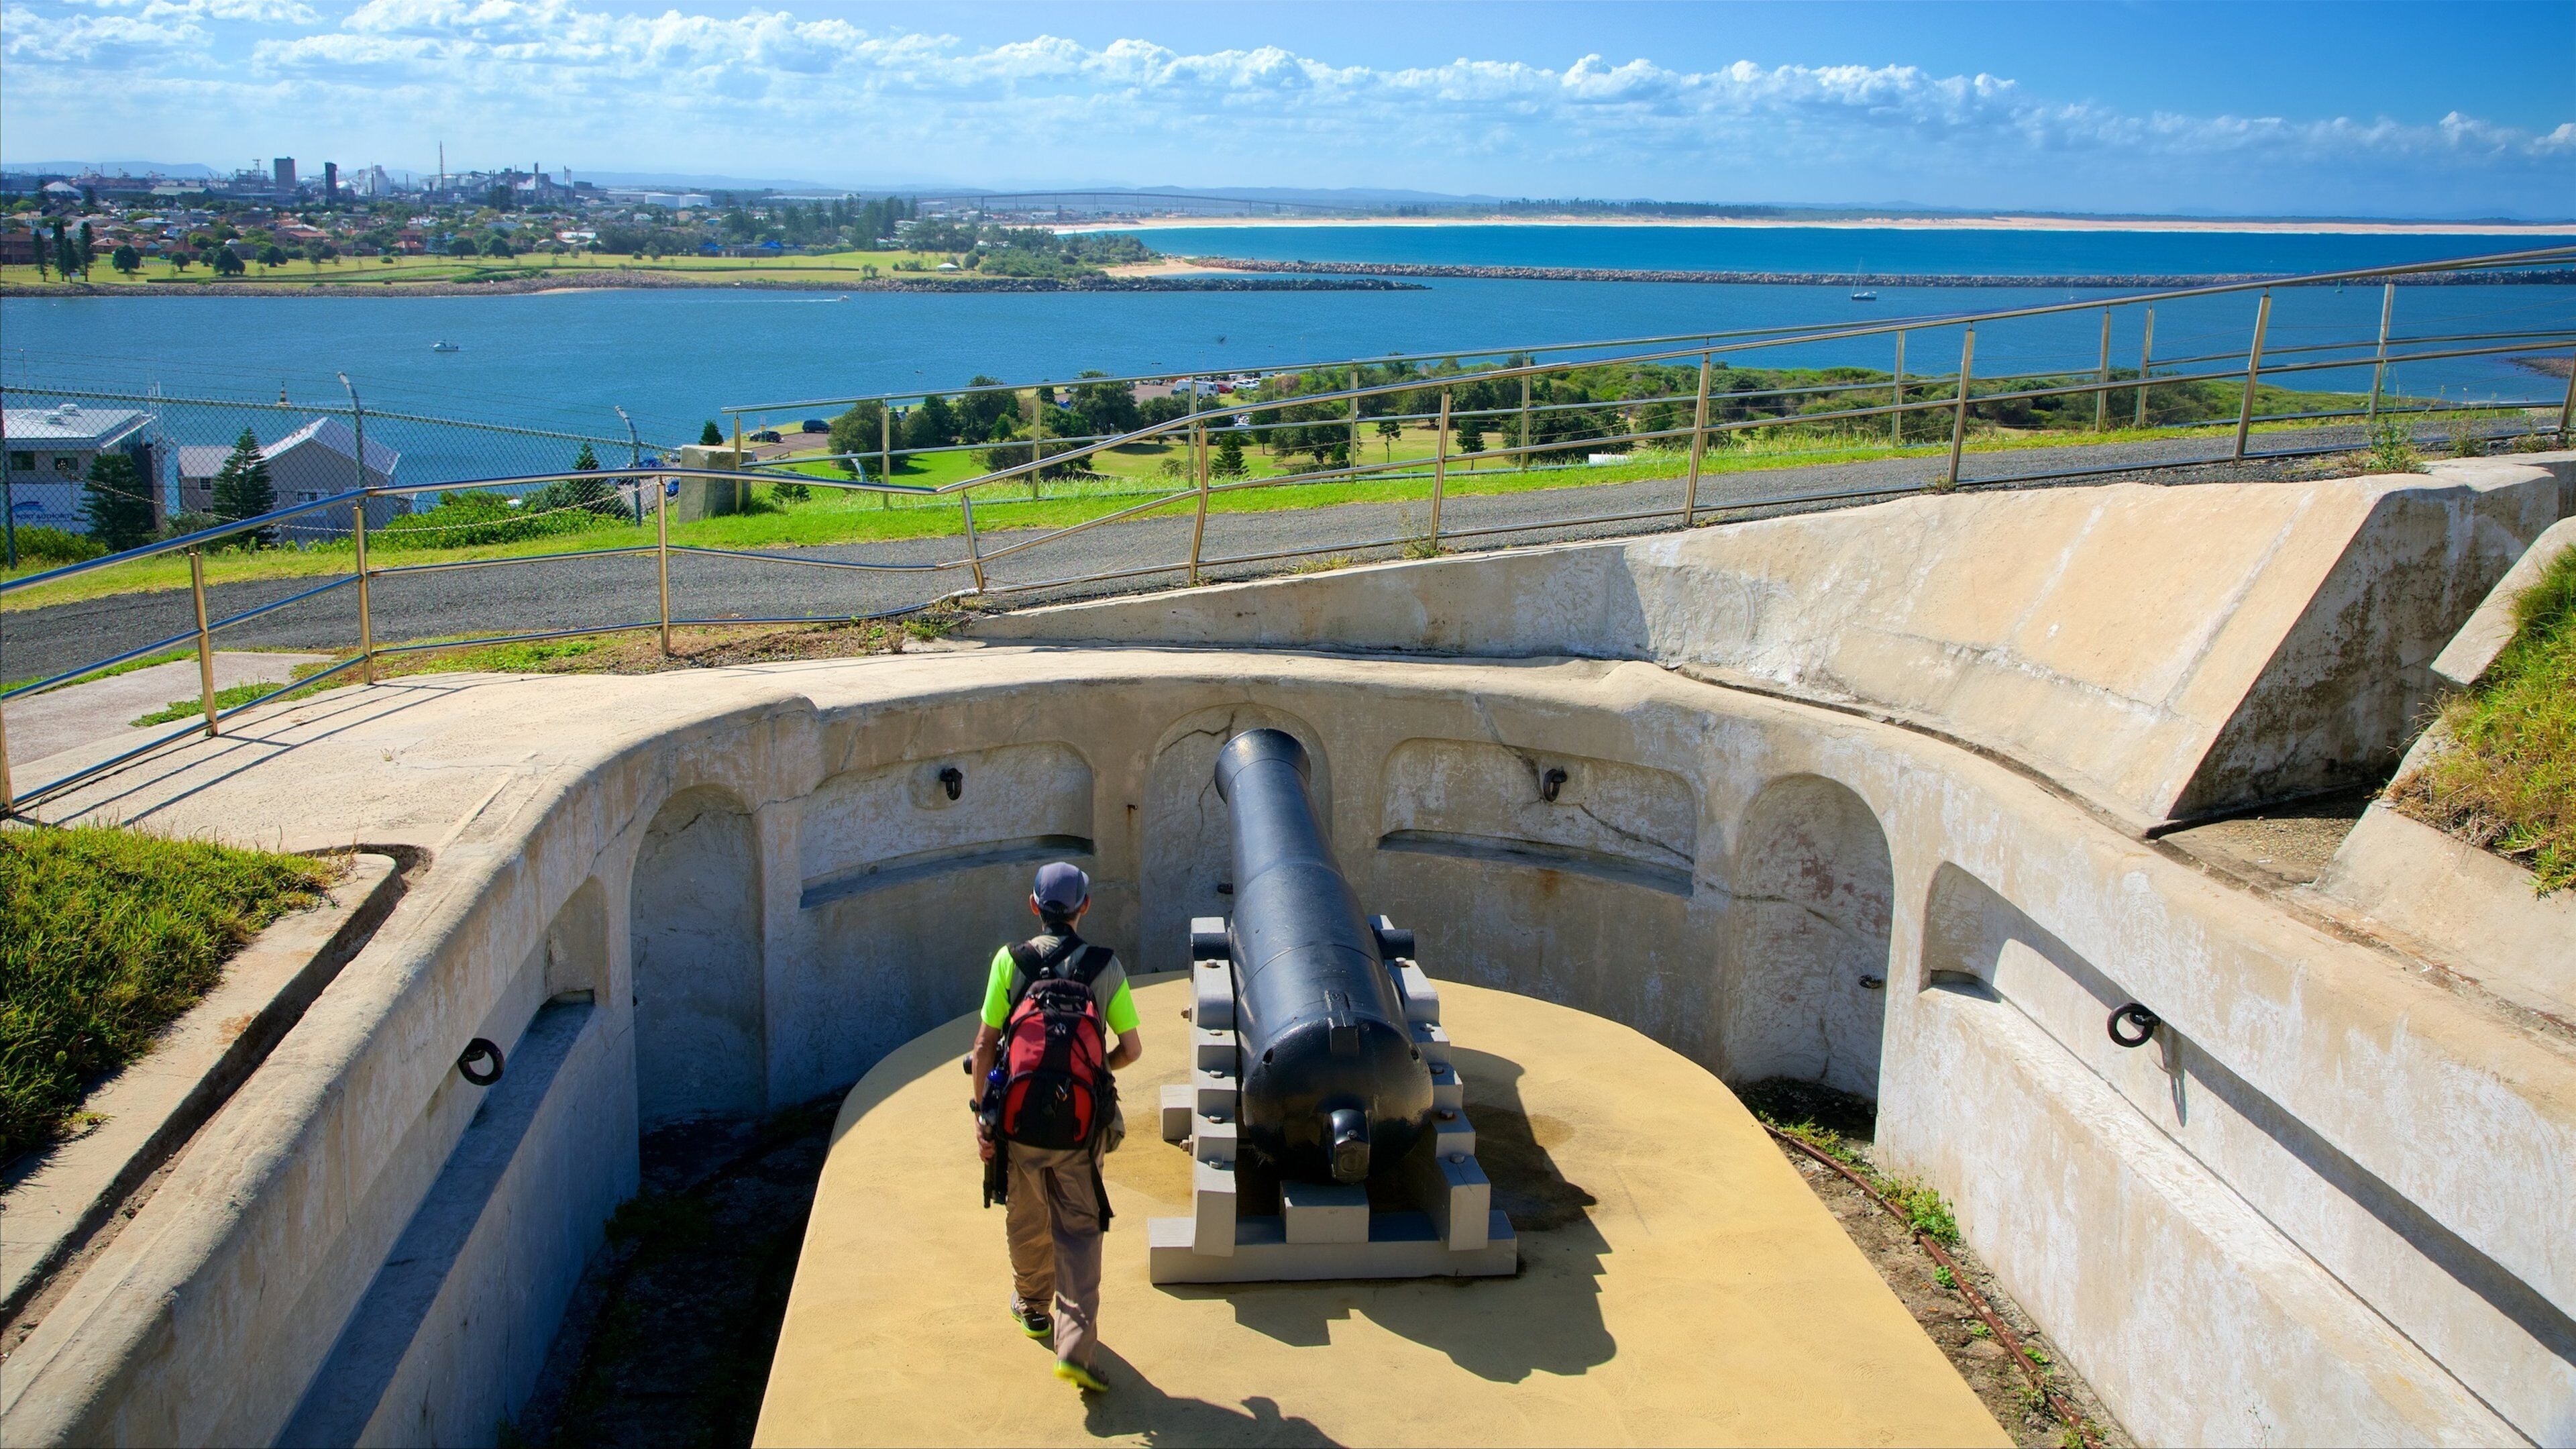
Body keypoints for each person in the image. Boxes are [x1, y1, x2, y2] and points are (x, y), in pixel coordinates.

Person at [969, 861, 1142, 1393]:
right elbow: (1132, 1050)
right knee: (1079, 1230)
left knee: (1026, 1215)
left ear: (1033, 906)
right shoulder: (1105, 967)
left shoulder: (1010, 962)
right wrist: (1091, 1073)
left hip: (1018, 1125)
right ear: (1084, 907)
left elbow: (984, 1048)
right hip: (1080, 1128)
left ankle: (1033, 1308)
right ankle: (1073, 1347)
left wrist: (983, 1120)